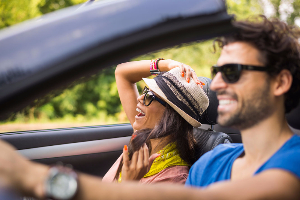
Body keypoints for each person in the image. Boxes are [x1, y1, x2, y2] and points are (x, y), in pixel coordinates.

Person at [0, 15, 299, 200]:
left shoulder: (294, 163)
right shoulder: (213, 161)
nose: (217, 84)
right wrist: (163, 64)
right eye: (216, 71)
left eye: (232, 71)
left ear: (279, 82)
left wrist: (39, 179)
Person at [102, 59, 209, 184]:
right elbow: (122, 73)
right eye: (145, 91)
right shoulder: (144, 139)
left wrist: (128, 185)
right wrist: (165, 64)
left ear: (170, 115)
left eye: (150, 96)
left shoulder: (174, 179)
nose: (140, 98)